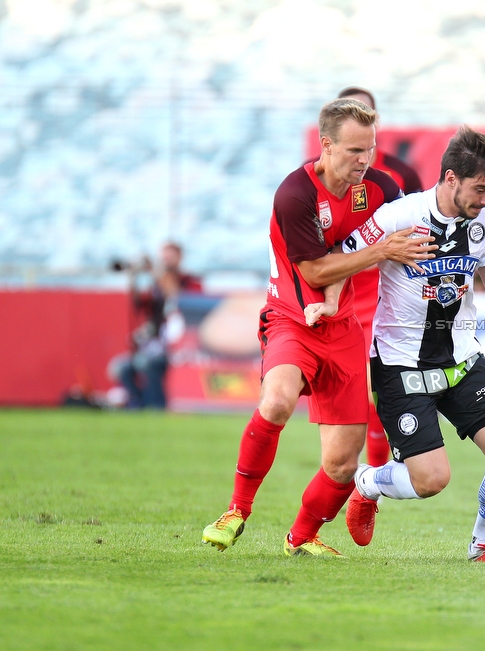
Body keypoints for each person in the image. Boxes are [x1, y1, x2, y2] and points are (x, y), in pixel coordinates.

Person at [201, 98, 439, 557]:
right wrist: (379, 251)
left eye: (369, 149)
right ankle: (236, 510)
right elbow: (312, 272)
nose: (364, 161)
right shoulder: (295, 194)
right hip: (291, 319)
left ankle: (302, 536)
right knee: (277, 400)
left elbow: (423, 218)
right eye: (353, 151)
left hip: (343, 328)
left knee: (343, 464)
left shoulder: (378, 187)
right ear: (326, 146)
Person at [322, 126, 485, 562]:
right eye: (481, 189)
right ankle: (367, 484)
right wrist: (328, 309)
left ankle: (483, 545)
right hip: (401, 364)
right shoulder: (399, 216)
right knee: (431, 480)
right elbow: (341, 260)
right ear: (451, 177)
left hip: (462, 359)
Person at [338, 86, 424, 470]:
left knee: (376, 383)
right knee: (349, 387)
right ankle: (353, 469)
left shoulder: (399, 174)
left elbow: (422, 226)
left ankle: (374, 474)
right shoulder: (313, 175)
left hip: (381, 291)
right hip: (338, 285)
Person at [109, 241, 201, 409]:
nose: (165, 262)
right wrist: (133, 278)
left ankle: (156, 406)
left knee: (146, 364)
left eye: (169, 257)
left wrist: (158, 274)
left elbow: (180, 300)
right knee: (122, 367)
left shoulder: (189, 281)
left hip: (180, 347)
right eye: (163, 257)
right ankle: (137, 405)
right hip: (155, 345)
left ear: (179, 258)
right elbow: (141, 306)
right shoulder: (156, 284)